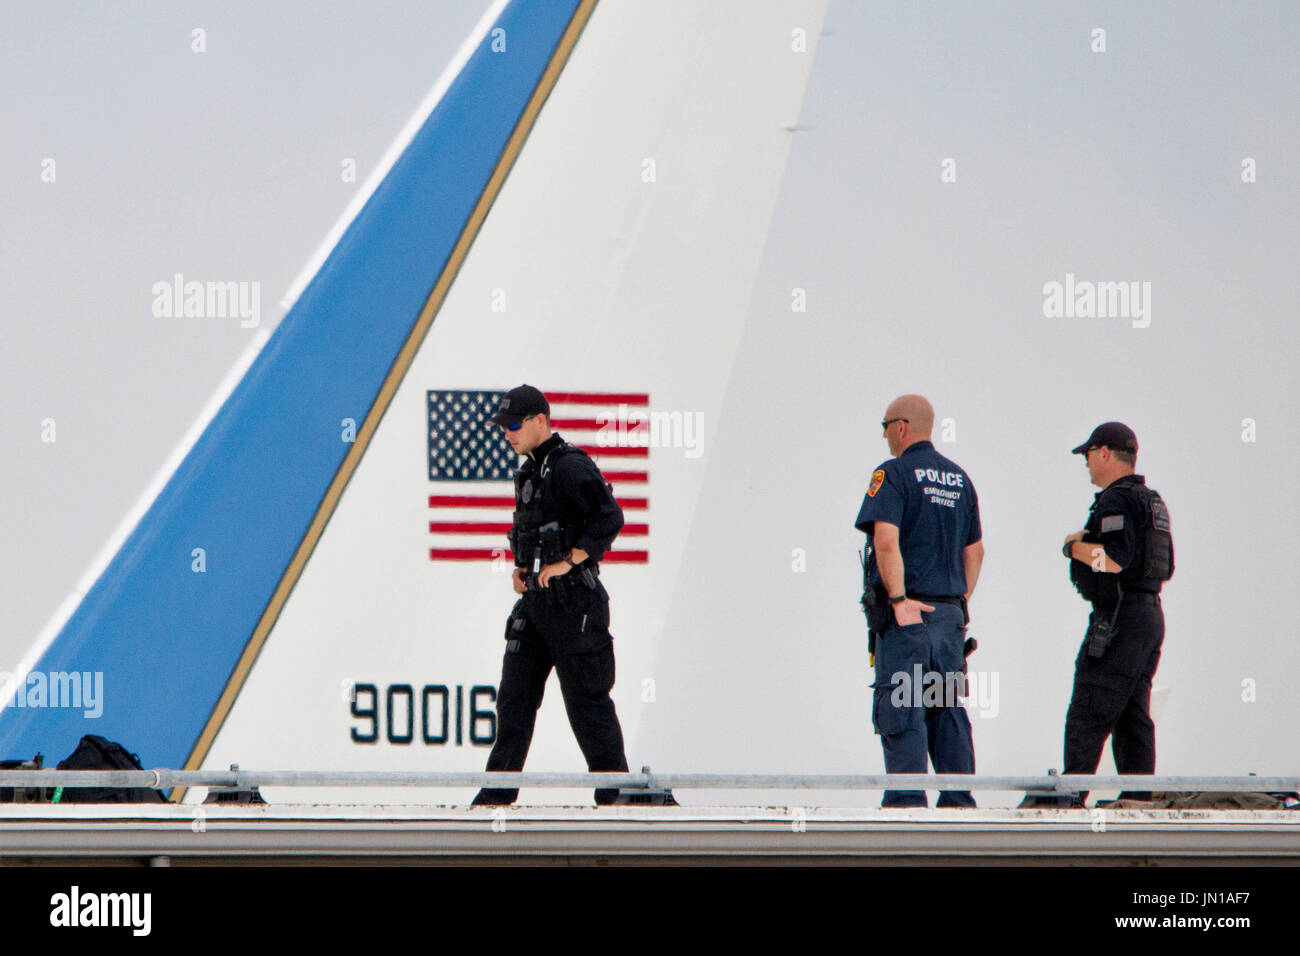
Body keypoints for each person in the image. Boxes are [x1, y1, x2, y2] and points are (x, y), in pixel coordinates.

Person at [471, 385, 630, 806]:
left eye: (513, 424)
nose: (506, 433)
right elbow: (538, 531)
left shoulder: (569, 466)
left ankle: (616, 793)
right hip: (537, 604)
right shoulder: (531, 470)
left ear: (541, 420)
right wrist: (525, 571)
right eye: (502, 426)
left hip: (575, 605)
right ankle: (496, 796)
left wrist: (570, 561)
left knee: (586, 703)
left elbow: (610, 517)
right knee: (514, 700)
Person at [854, 395, 984, 808]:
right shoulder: (961, 480)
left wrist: (899, 600)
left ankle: (906, 807)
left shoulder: (892, 474)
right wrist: (958, 603)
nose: (885, 434)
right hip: (948, 619)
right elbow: (976, 553)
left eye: (885, 425)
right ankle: (959, 805)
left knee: (902, 703)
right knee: (944, 705)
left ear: (902, 427)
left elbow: (886, 540)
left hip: (908, 619)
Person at [1061, 422, 1173, 803]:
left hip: (1120, 617)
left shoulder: (1115, 500)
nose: (1086, 463)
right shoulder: (1151, 502)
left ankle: (1071, 797)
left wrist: (1073, 546)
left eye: (1089, 455)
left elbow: (1111, 560)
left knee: (1090, 706)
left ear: (1105, 452)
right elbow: (1165, 567)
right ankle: (1139, 797)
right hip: (1150, 617)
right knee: (1131, 711)